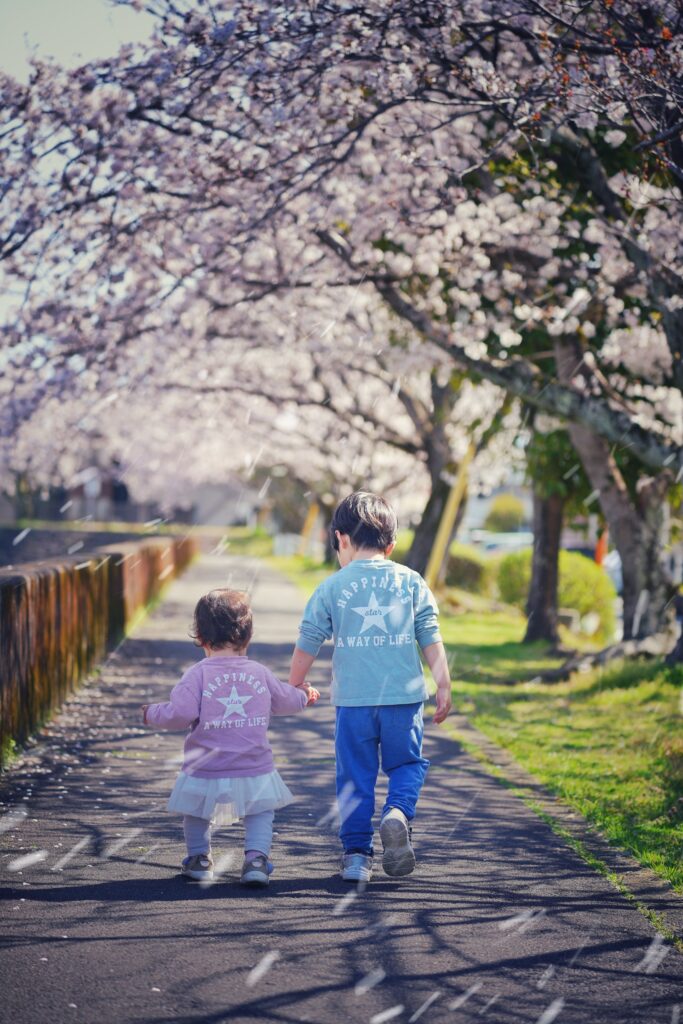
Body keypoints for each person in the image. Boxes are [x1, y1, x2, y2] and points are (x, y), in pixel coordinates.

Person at [289, 491, 452, 883]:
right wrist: (443, 683)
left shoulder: (331, 587)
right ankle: (397, 812)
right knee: (407, 765)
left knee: (355, 777)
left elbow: (309, 638)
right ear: (391, 545)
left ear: (341, 539)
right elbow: (429, 633)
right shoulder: (411, 581)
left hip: (354, 702)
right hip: (404, 697)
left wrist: (295, 683)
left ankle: (357, 856)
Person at [142, 588, 318, 886]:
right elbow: (284, 700)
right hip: (253, 764)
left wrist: (151, 713)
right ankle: (256, 860)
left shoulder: (196, 675)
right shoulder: (259, 672)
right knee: (260, 811)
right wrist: (303, 695)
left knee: (196, 812)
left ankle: (198, 859)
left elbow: (178, 713)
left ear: (200, 636)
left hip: (206, 764)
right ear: (247, 636)